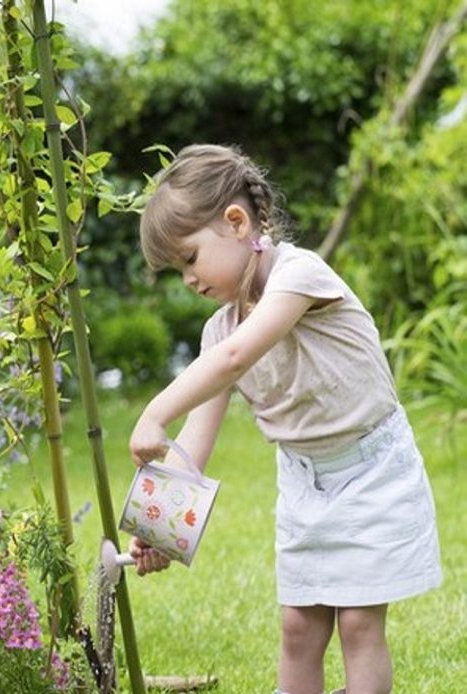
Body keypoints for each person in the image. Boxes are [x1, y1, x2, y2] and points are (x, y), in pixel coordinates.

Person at [127, 144, 442, 694]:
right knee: (298, 627)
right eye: (178, 269)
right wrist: (160, 532)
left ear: (235, 222)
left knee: (359, 624)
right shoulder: (218, 332)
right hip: (303, 482)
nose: (189, 280)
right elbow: (192, 450)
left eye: (191, 258)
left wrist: (155, 410)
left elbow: (235, 360)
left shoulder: (298, 275)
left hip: (372, 470)